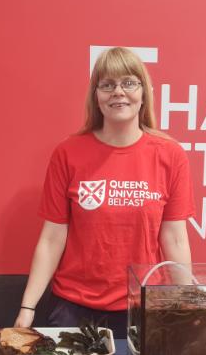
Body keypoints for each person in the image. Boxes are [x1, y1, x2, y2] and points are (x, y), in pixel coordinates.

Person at [13, 47, 195, 337]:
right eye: (107, 85)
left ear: (144, 92)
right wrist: (28, 308)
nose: (118, 92)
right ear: (95, 96)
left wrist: (188, 305)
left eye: (128, 83)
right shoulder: (68, 153)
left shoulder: (170, 155)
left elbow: (174, 237)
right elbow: (52, 238)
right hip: (74, 308)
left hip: (142, 306)